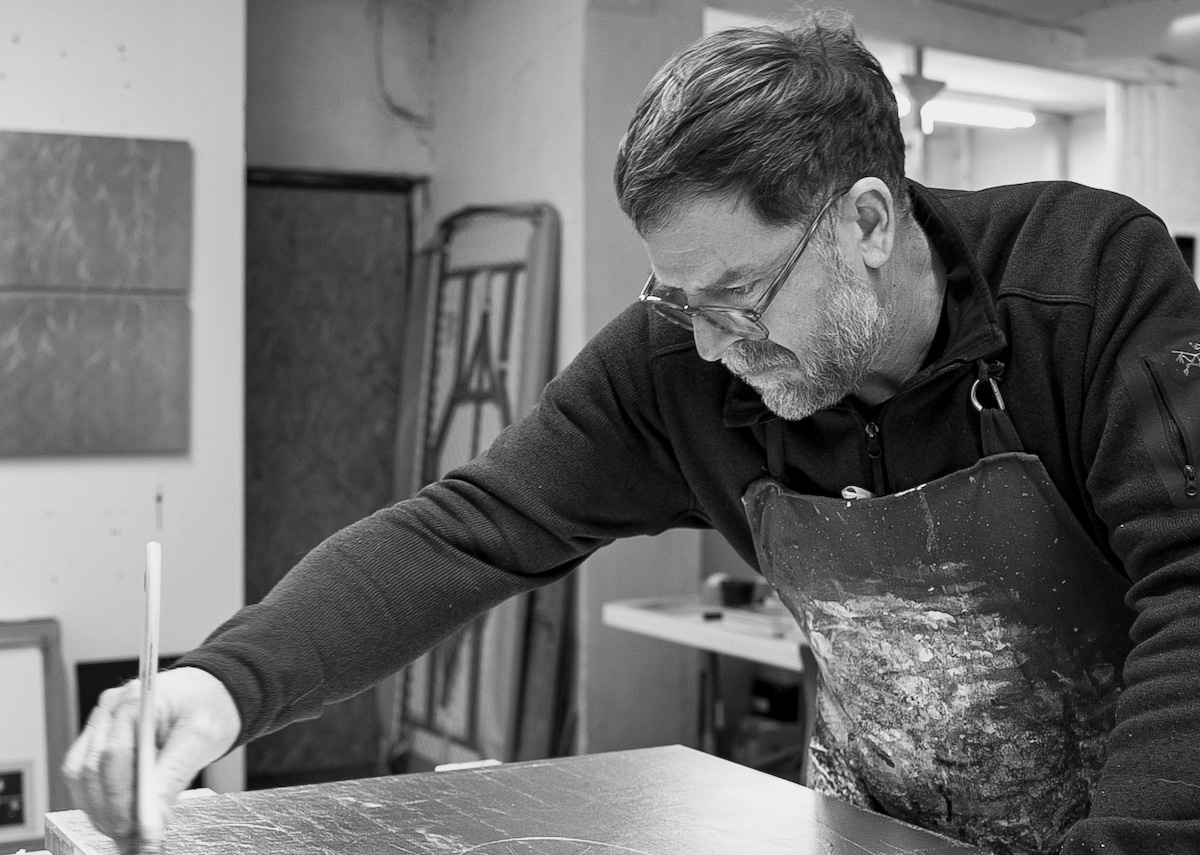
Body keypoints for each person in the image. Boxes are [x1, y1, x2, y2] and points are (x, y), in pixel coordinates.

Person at [65, 12, 1200, 855]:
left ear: (864, 220)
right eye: (679, 300)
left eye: (740, 296)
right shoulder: (684, 360)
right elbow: (472, 525)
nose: (709, 345)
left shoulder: (1088, 283)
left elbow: (1192, 593)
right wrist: (224, 683)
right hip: (870, 831)